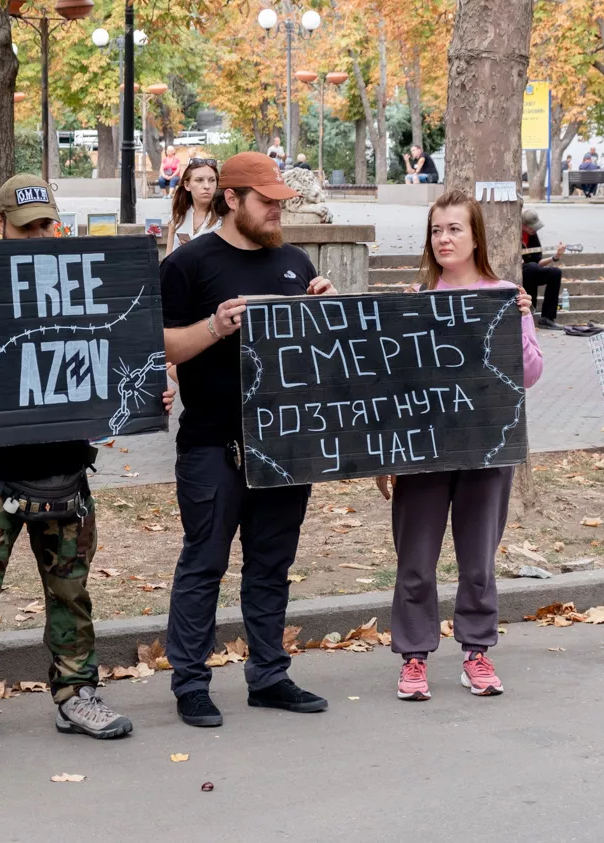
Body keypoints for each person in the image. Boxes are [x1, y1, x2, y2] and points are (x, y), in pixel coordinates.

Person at [0, 173, 172, 762]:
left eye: (46, 224)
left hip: (65, 473)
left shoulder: (85, 285)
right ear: (0, 225)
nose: (39, 234)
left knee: (71, 594)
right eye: (26, 225)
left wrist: (151, 393)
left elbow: (126, 361)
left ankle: (77, 695)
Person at [160, 151, 335, 728]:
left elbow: (320, 359)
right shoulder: (188, 264)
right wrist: (216, 325)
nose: (278, 212)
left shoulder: (295, 261)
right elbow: (159, 349)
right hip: (213, 442)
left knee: (271, 565)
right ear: (231, 199)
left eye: (283, 202)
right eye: (267, 202)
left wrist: (323, 314)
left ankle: (269, 675)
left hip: (284, 443)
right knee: (203, 563)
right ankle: (190, 682)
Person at [379, 190, 543, 701]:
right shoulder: (416, 296)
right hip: (424, 450)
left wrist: (517, 321)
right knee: (416, 558)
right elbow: (393, 382)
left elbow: (531, 374)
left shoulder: (504, 294)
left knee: (478, 561)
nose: (444, 238)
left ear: (475, 237)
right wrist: (387, 451)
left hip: (486, 447)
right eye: (436, 230)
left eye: (454, 229)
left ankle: (476, 650)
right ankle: (413, 657)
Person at [520, 208, 565, 329]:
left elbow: (538, 261)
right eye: (531, 227)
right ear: (523, 225)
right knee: (531, 267)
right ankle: (529, 310)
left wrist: (555, 257)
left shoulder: (532, 235)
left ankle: (547, 318)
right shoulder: (513, 234)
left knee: (555, 273)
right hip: (519, 273)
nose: (534, 230)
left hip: (532, 271)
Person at [167, 156, 221, 256]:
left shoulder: (224, 217)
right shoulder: (177, 214)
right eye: (199, 180)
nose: (207, 186)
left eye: (212, 180)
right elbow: (168, 256)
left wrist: (196, 250)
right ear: (187, 185)